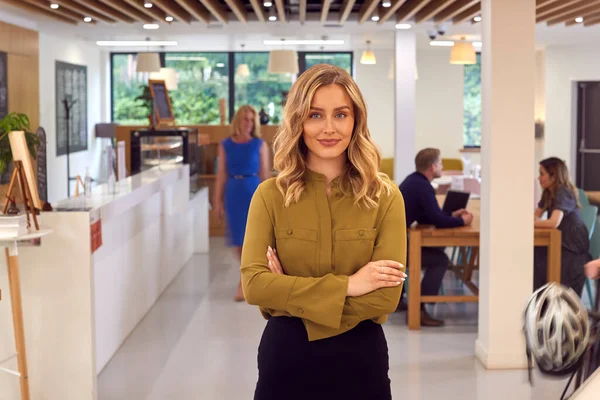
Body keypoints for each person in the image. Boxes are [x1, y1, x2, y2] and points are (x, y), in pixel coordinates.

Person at [240, 64, 407, 399]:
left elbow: (386, 296)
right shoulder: (269, 196)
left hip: (361, 360)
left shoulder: (385, 197)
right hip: (286, 358)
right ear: (298, 121)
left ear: (356, 120)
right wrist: (351, 284)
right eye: (315, 115)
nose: (329, 128)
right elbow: (255, 286)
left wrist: (288, 294)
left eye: (341, 114)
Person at [398, 148, 473, 327]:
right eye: (440, 163)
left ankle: (403, 301)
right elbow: (437, 221)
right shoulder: (423, 186)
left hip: (395, 243)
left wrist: (452, 216)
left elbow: (427, 216)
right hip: (397, 249)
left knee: (437, 250)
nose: (442, 166)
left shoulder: (414, 181)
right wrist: (461, 221)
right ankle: (419, 309)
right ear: (433, 167)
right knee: (440, 259)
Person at [213, 105, 271, 301]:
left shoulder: (259, 144)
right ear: (238, 120)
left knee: (253, 239)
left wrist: (271, 202)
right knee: (238, 241)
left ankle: (245, 281)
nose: (248, 123)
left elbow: (265, 173)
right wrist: (217, 201)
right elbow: (221, 174)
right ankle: (245, 275)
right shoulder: (225, 144)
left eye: (251, 119)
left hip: (253, 191)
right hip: (233, 192)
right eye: (245, 119)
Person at [534, 157, 589, 295]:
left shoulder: (563, 192)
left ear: (553, 176)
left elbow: (554, 222)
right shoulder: (548, 193)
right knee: (535, 254)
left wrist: (529, 224)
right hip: (563, 241)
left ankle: (546, 302)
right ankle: (539, 301)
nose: (538, 178)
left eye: (542, 174)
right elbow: (536, 215)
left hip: (572, 245)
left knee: (540, 259)